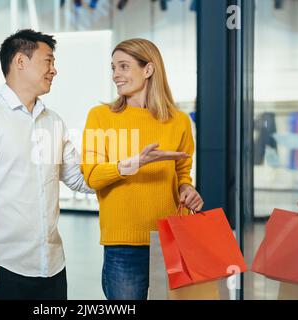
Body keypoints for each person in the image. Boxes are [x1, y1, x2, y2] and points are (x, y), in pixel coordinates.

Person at [0, 29, 94, 300]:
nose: (54, 70)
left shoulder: (53, 121)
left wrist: (130, 169)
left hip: (52, 268)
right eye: (48, 61)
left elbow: (78, 179)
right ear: (20, 61)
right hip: (3, 266)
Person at [81, 38, 205, 300]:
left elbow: (183, 173)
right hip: (123, 245)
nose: (116, 75)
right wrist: (133, 164)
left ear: (148, 69)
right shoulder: (100, 116)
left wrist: (187, 189)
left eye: (124, 67)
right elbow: (91, 176)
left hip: (171, 240)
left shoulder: (178, 121)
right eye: (113, 68)